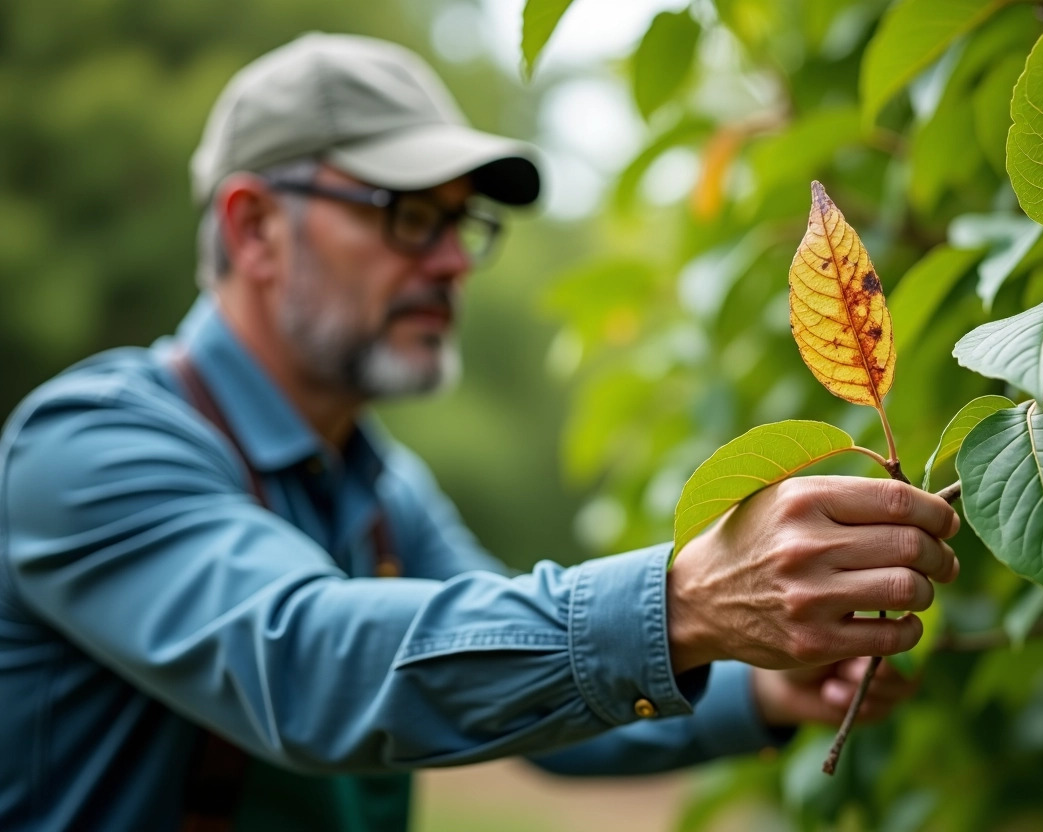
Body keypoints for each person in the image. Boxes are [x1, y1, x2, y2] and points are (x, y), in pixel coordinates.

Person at [0, 33, 960, 831]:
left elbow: (495, 681)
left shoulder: (378, 491)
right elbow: (306, 667)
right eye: (412, 215)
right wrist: (684, 604)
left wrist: (763, 692)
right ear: (254, 230)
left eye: (465, 222)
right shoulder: (85, 450)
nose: (458, 261)